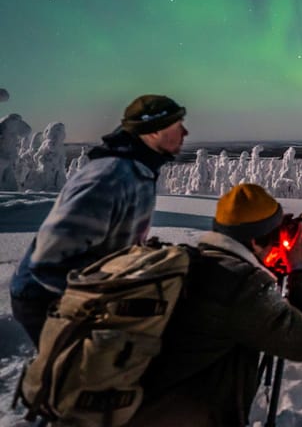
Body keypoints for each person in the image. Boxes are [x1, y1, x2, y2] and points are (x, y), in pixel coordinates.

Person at [130, 183, 302, 426]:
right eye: (274, 236)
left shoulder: (193, 263)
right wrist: (299, 271)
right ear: (255, 242)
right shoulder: (241, 287)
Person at [9, 94, 188, 346]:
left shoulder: (139, 171)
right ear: (154, 131)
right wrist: (112, 296)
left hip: (79, 292)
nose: (185, 132)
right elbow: (48, 261)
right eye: (177, 126)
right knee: (82, 376)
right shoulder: (110, 177)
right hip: (43, 297)